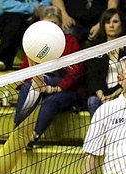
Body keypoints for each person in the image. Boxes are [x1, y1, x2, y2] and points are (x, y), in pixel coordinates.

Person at [14, 6, 83, 149]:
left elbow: (76, 72)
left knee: (50, 102)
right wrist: (39, 84)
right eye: (47, 24)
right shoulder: (36, 43)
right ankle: (18, 130)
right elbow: (26, 71)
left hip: (64, 89)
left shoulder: (70, 41)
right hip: (39, 85)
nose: (50, 28)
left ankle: (34, 136)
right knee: (27, 87)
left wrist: (56, 88)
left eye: (54, 24)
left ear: (60, 26)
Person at [0, 0, 52, 71]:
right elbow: (6, 4)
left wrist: (42, 8)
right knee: (16, 20)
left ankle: (38, 63)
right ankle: (2, 59)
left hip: (33, 17)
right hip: (7, 18)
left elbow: (46, 2)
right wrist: (33, 8)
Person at [84, 9, 125, 115]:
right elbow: (93, 77)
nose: (111, 25)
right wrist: (102, 97)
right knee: (92, 101)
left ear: (122, 24)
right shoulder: (96, 49)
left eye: (115, 22)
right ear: (103, 26)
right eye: (108, 22)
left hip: (123, 92)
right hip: (103, 93)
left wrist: (115, 95)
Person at [53, 0, 118, 42]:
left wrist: (101, 23)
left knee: (111, 27)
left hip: (100, 20)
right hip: (74, 21)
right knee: (68, 32)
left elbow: (113, 3)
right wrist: (64, 15)